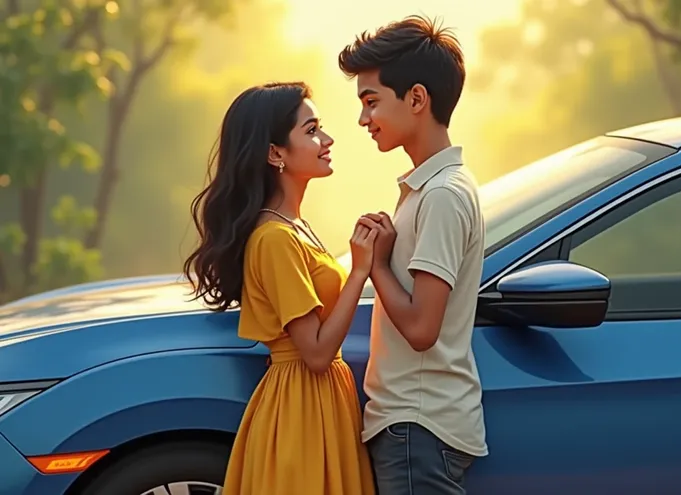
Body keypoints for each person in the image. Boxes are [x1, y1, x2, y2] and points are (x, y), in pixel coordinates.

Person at [183, 81, 376, 495]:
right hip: (301, 407)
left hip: (320, 400)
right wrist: (359, 272)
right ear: (275, 154)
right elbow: (318, 353)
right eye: (311, 131)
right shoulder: (275, 239)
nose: (327, 139)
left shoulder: (295, 227)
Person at [338, 15, 488, 494]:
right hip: (414, 425)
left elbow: (423, 328)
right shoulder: (429, 189)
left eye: (371, 101)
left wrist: (375, 265)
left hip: (418, 427)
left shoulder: (442, 194)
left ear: (417, 99)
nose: (363, 119)